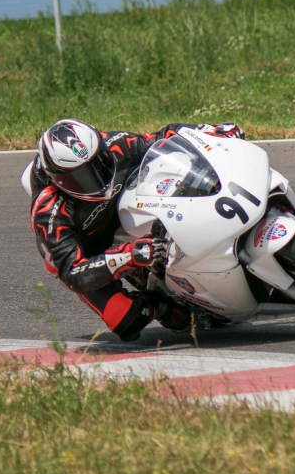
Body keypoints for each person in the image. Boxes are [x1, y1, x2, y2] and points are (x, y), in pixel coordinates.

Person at [27, 118, 245, 341]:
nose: (97, 178)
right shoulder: (49, 212)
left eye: (99, 163)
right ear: (58, 179)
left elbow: (166, 136)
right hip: (87, 247)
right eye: (81, 177)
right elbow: (73, 273)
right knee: (125, 320)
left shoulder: (115, 145)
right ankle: (159, 304)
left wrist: (211, 131)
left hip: (121, 209)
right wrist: (129, 255)